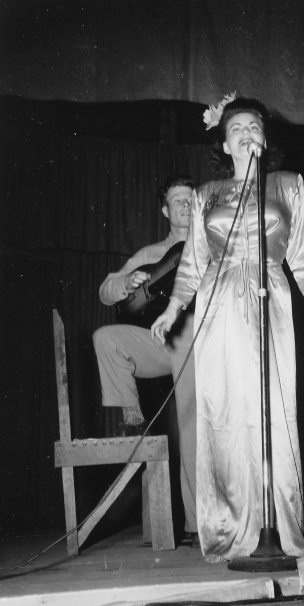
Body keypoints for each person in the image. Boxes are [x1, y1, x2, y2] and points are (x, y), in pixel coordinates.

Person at [151, 97, 304, 563]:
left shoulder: (287, 185)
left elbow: (299, 247)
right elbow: (195, 260)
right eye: (235, 127)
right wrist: (174, 308)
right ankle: (232, 529)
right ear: (223, 142)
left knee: (273, 409)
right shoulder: (207, 194)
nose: (245, 133)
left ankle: (278, 527)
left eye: (254, 126)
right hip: (218, 303)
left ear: (265, 138)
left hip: (271, 297)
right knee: (224, 408)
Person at [93, 174, 198, 545]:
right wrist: (130, 281)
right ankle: (131, 420)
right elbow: (107, 292)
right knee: (106, 338)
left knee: (192, 429)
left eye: (190, 198)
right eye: (177, 200)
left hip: (201, 344)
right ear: (165, 210)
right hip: (161, 344)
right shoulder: (153, 253)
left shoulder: (213, 243)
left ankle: (198, 525)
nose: (185, 204)